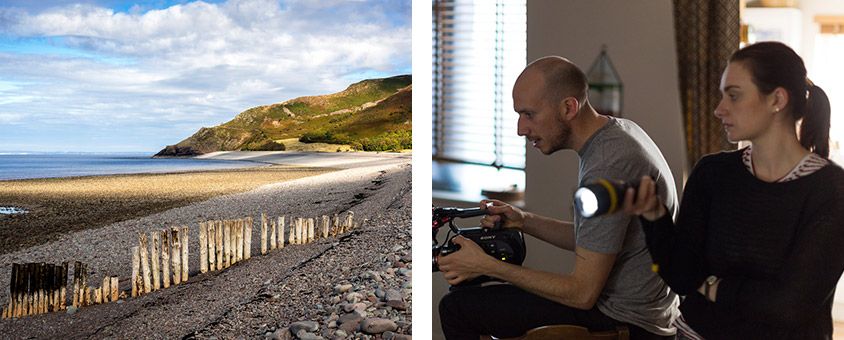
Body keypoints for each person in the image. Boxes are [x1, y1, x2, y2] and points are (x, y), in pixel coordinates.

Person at [436, 56, 680, 340]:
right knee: (478, 293)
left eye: (529, 115)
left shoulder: (607, 165)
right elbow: (595, 239)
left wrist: (486, 265)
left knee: (457, 308)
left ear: (568, 107)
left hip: (630, 322)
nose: (520, 129)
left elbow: (581, 294)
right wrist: (523, 221)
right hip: (646, 312)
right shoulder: (618, 134)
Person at [623, 41, 844, 339]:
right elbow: (680, 276)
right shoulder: (712, 173)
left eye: (734, 96)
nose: (718, 109)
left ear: (776, 99)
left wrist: (709, 284)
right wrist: (654, 219)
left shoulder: (831, 189)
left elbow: (789, 307)